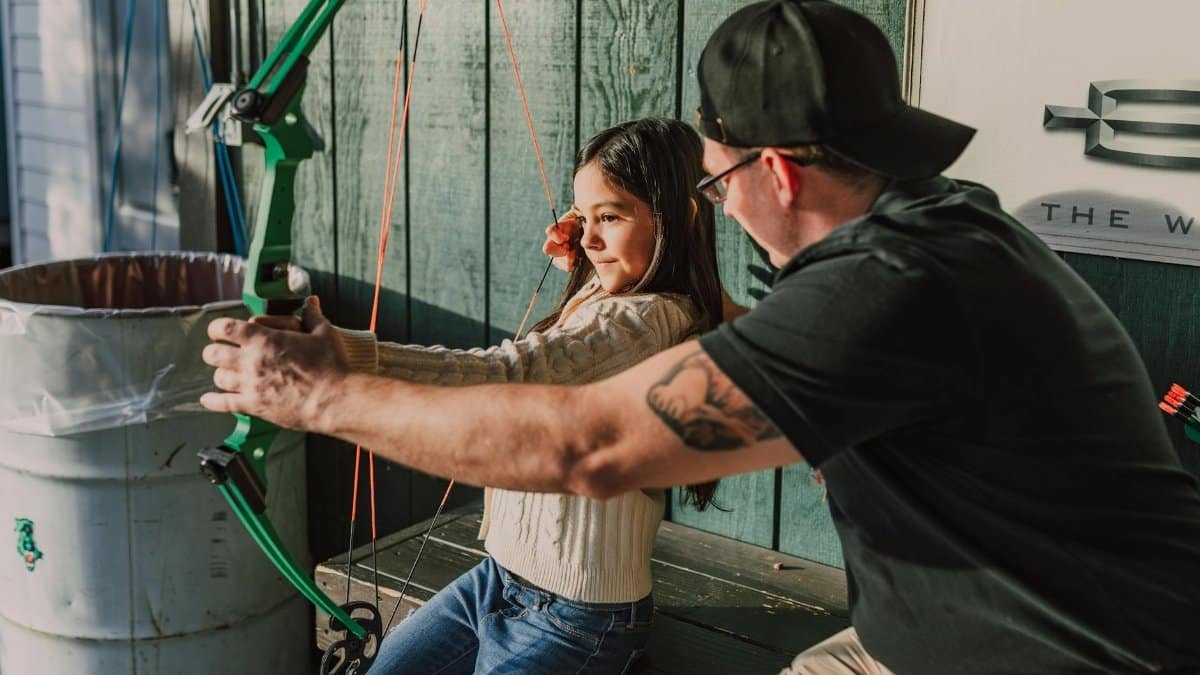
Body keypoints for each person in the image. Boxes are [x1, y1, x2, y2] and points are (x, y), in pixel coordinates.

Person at [202, 1, 1200, 673]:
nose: (718, 210)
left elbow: (581, 446)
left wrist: (318, 395)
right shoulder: (943, 228)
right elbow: (748, 337)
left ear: (782, 174)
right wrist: (597, 276)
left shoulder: (892, 286)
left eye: (718, 186)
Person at [254, 118, 726, 674]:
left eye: (612, 216)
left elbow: (523, 368)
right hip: (496, 581)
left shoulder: (647, 320)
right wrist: (589, 247)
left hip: (578, 619)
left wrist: (351, 358)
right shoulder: (617, 289)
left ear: (679, 220)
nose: (591, 237)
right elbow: (603, 310)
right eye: (583, 216)